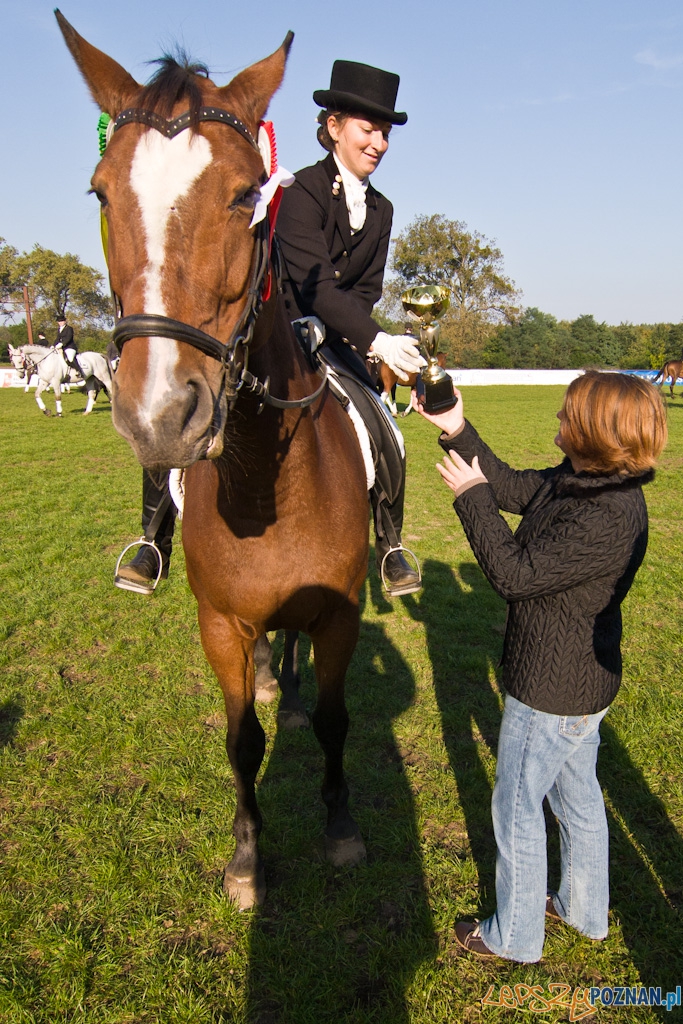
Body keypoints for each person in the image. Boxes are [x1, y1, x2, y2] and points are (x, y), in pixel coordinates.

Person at [413, 371, 667, 963]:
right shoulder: (586, 480)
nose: (557, 419)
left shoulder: (607, 513)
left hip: (553, 690)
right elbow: (510, 485)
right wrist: (454, 428)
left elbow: (515, 575)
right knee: (576, 795)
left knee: (517, 805)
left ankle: (515, 936)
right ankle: (582, 909)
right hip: (579, 685)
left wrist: (470, 500)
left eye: (566, 413)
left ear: (595, 431)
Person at [276, 59, 426, 596]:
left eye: (385, 133)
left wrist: (365, 338)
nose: (379, 143)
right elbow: (313, 284)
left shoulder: (383, 209)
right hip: (284, 336)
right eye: (369, 130)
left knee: (387, 430)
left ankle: (389, 545)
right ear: (335, 126)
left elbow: (366, 290)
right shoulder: (301, 191)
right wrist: (377, 338)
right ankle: (154, 539)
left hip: (338, 342)